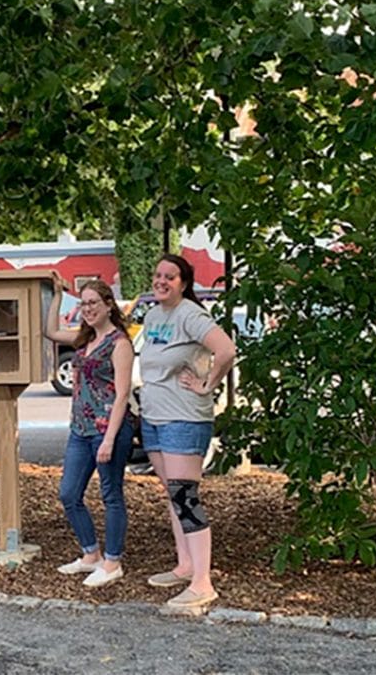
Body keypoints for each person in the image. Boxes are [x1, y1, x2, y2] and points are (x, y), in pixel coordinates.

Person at [139, 253, 236, 612]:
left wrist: (207, 383)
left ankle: (202, 582)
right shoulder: (153, 316)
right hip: (154, 417)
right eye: (158, 274)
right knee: (171, 493)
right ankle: (185, 566)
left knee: (185, 495)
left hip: (183, 418)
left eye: (171, 276)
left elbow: (226, 350)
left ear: (184, 283)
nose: (162, 281)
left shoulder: (191, 314)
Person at [44, 277, 136, 588]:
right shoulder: (85, 339)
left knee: (111, 494)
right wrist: (58, 294)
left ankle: (113, 562)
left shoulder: (120, 343)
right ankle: (90, 554)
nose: (87, 309)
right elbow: (51, 332)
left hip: (107, 430)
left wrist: (109, 439)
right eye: (83, 304)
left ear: (109, 305)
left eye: (93, 303)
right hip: (80, 430)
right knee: (69, 494)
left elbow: (122, 394)